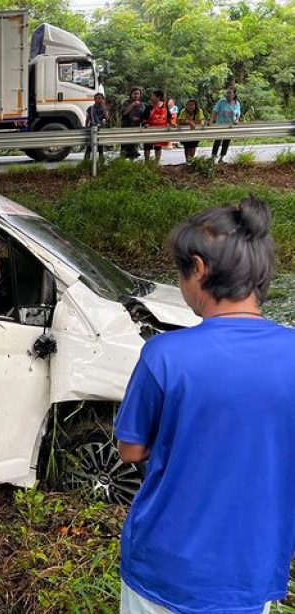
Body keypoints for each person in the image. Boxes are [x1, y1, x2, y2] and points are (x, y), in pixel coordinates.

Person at [115, 196, 295, 613]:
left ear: (198, 268)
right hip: (248, 570)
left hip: (163, 568)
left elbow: (130, 451)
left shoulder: (165, 355)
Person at [210, 86, 241, 163]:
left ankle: (221, 159)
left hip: (230, 126)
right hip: (220, 125)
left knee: (226, 142)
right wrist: (211, 121)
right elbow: (215, 112)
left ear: (234, 94)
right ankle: (213, 158)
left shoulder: (237, 103)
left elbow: (238, 113)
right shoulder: (221, 102)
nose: (228, 94)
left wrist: (237, 120)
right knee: (217, 141)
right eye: (227, 92)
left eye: (230, 92)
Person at [141, 89, 170, 162]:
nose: (151, 97)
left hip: (160, 130)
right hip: (149, 130)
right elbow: (144, 119)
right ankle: (147, 163)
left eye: (153, 96)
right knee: (147, 146)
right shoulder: (149, 107)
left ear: (158, 97)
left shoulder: (165, 106)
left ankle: (157, 163)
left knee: (158, 146)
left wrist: (170, 123)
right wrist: (145, 124)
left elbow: (169, 117)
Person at [120, 87, 146, 160]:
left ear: (140, 95)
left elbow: (144, 117)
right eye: (134, 93)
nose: (136, 95)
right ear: (131, 94)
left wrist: (139, 119)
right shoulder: (126, 102)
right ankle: (122, 163)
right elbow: (124, 113)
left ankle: (132, 163)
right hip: (126, 127)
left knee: (133, 146)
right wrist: (132, 105)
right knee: (124, 146)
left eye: (138, 94)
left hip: (136, 127)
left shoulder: (142, 105)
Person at [177, 98, 205, 163]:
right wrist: (190, 122)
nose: (190, 106)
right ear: (186, 105)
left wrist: (190, 121)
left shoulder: (199, 111)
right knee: (186, 146)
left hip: (195, 133)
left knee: (193, 146)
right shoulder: (183, 111)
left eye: (192, 105)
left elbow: (200, 121)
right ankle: (187, 160)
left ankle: (191, 160)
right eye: (188, 105)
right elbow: (181, 120)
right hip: (185, 132)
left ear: (195, 106)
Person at [84, 92, 110, 161]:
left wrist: (103, 107)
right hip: (92, 128)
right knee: (89, 146)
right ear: (94, 99)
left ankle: (101, 161)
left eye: (100, 98)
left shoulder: (104, 108)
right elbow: (87, 118)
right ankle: (86, 161)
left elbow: (107, 118)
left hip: (100, 129)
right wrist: (86, 127)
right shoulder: (91, 108)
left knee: (100, 146)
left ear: (103, 99)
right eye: (97, 98)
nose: (98, 100)